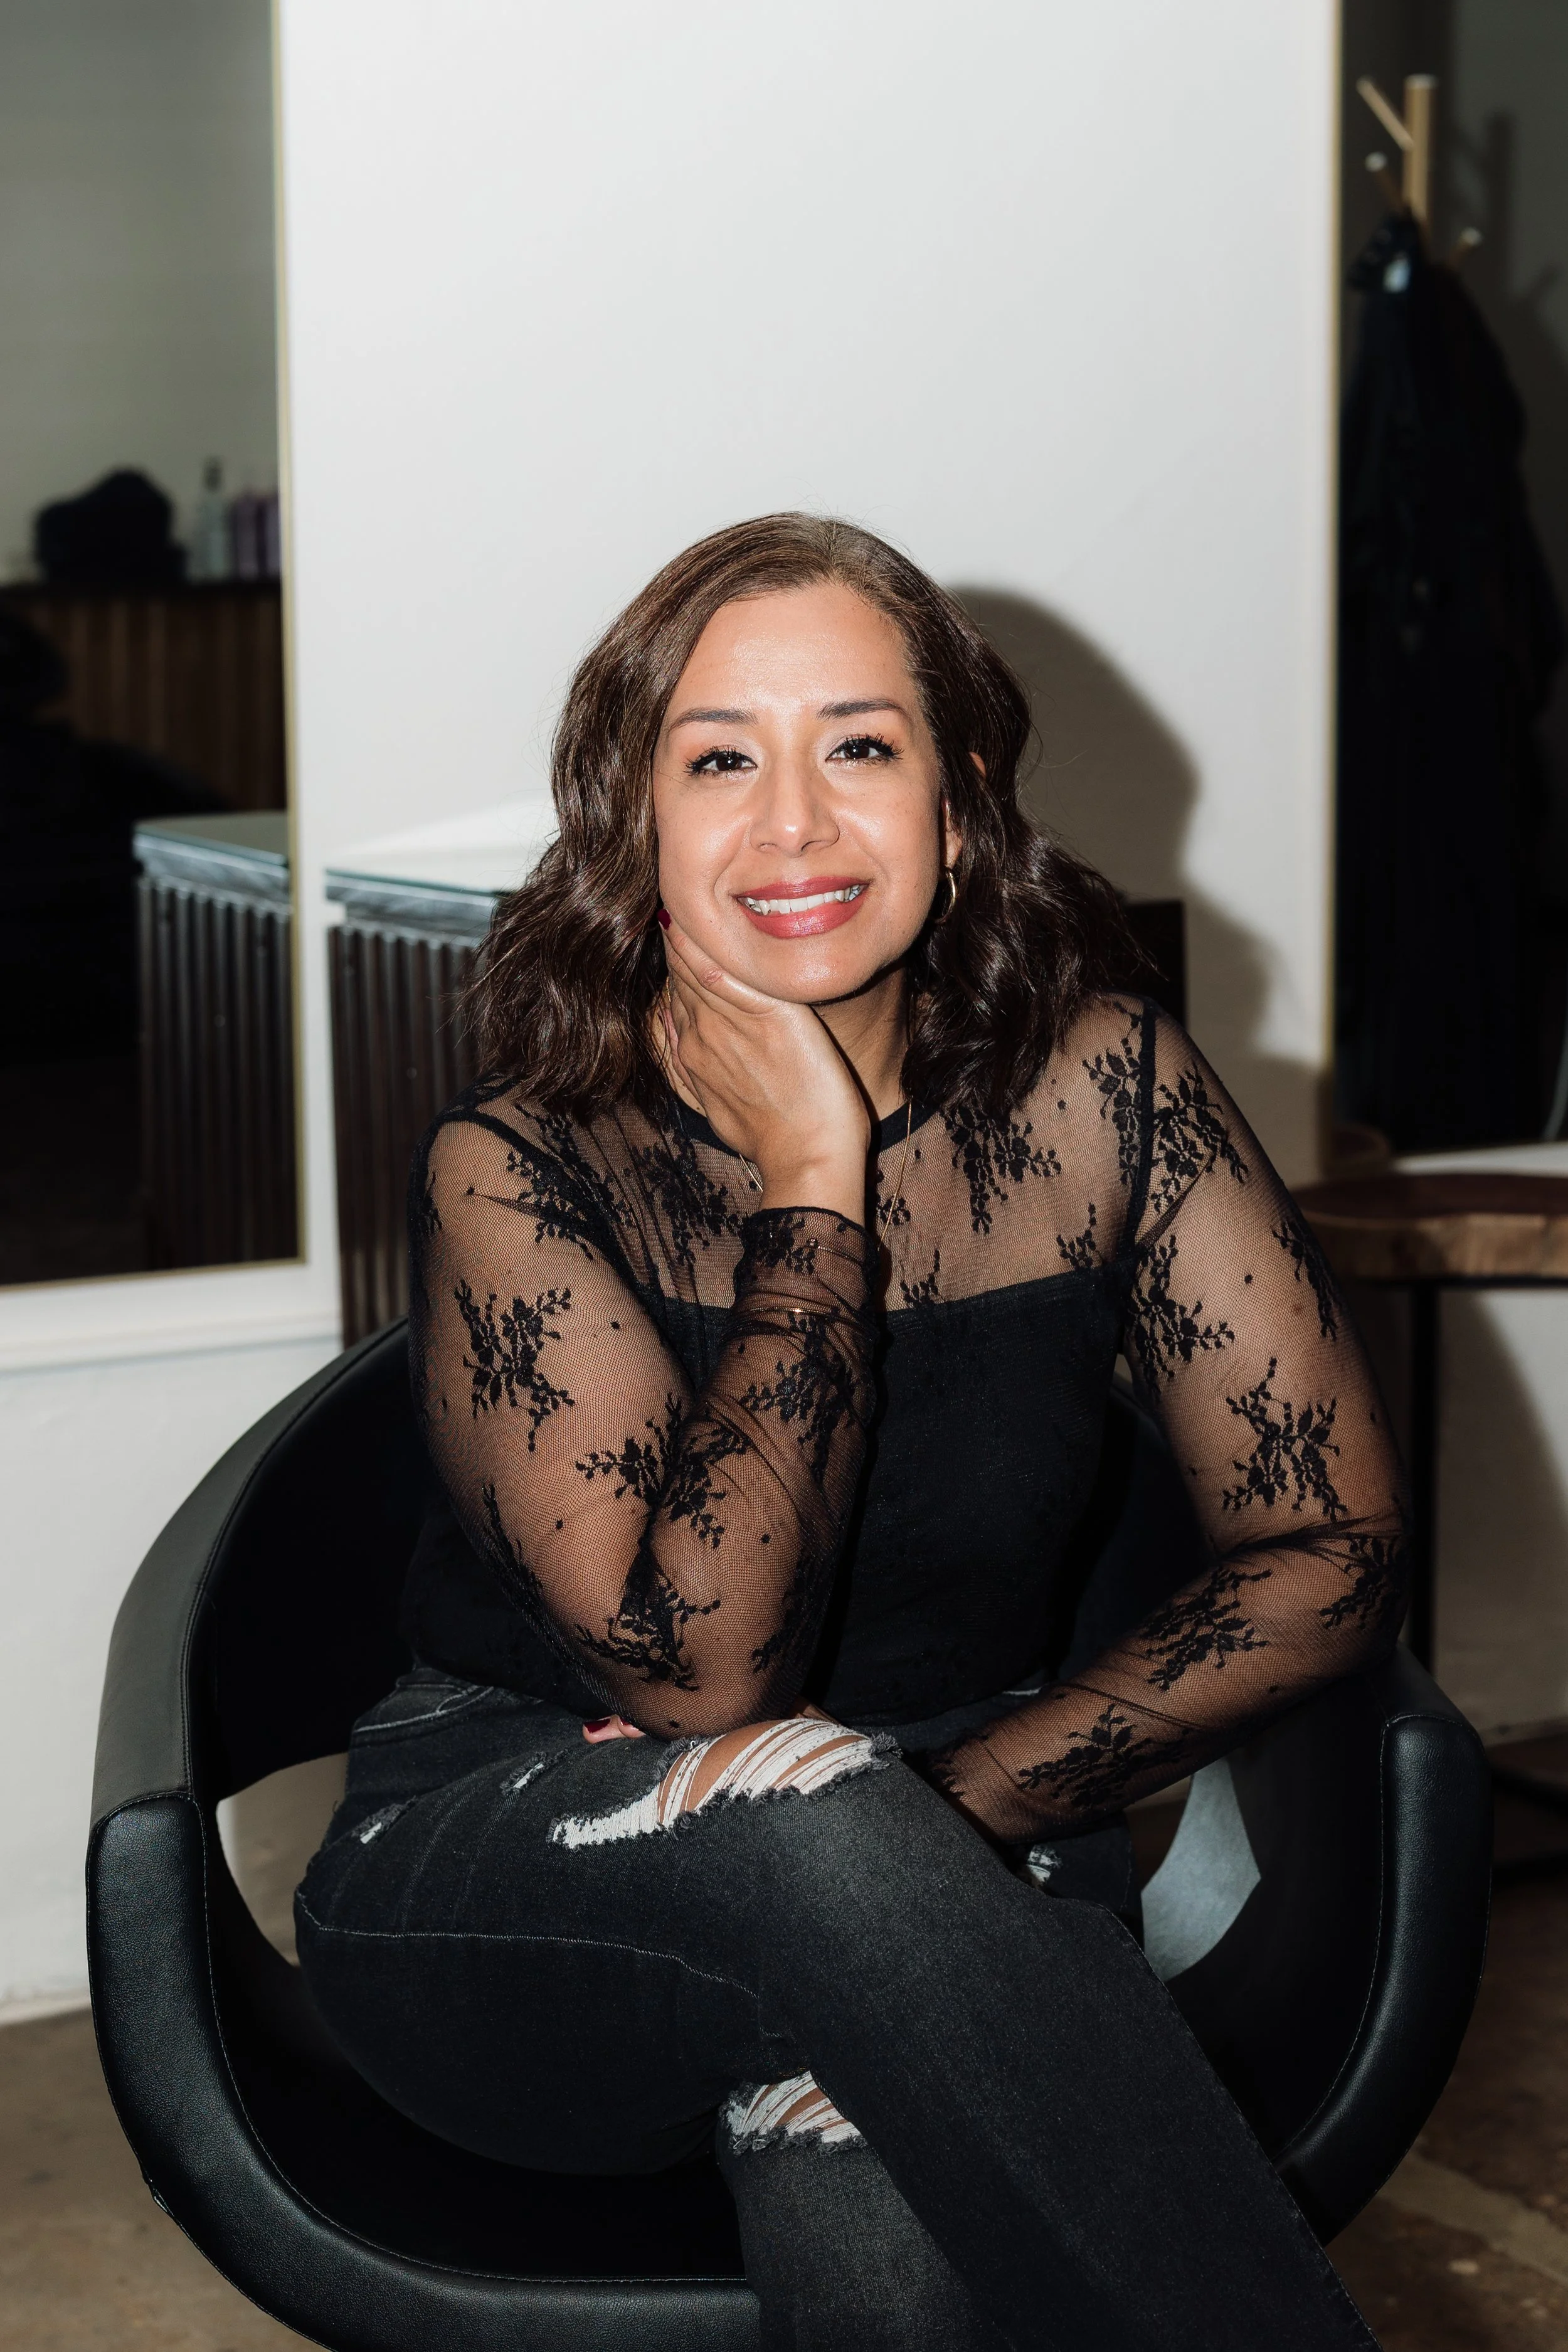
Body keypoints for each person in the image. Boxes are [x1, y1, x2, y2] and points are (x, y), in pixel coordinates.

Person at [295, 515, 1404, 2351]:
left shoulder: (1100, 1090)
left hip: (946, 1875)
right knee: (797, 1808)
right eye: (719, 757)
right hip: (523, 1888)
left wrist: (948, 1817)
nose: (792, 825)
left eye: (860, 748)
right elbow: (703, 1680)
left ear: (959, 806)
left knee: (889, 2241)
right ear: (631, 822)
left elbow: (1325, 1548)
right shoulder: (523, 1160)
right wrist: (816, 1192)